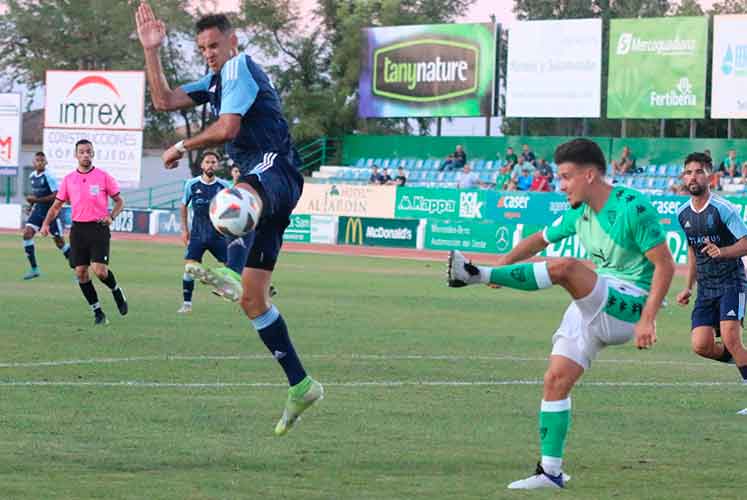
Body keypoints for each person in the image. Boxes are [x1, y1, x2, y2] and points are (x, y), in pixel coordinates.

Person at [136, 3, 322, 435]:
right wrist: (151, 51)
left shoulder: (239, 66)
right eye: (202, 48)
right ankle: (301, 385)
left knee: (229, 206)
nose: (209, 53)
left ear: (232, 41)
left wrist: (181, 148)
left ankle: (227, 267)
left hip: (273, 172)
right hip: (266, 184)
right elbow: (164, 100)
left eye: (214, 45)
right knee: (254, 300)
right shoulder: (216, 79)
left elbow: (228, 129)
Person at [446, 138, 674, 489]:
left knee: (566, 267)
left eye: (566, 176)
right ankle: (550, 473)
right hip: (594, 299)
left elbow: (665, 265)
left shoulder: (632, 206)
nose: (561, 184)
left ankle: (473, 275)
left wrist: (648, 318)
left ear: (590, 175)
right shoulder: (578, 214)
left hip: (628, 304)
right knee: (556, 379)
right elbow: (538, 239)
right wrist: (504, 263)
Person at [674, 152, 747, 414]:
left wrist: (723, 251)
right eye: (688, 172)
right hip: (705, 287)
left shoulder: (724, 209)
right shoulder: (681, 213)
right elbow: (692, 251)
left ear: (710, 177)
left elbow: (746, 242)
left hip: (731, 282)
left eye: (698, 172)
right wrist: (687, 287)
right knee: (701, 345)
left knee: (730, 338)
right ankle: (743, 361)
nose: (693, 177)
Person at [40, 140, 129, 325]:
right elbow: (56, 206)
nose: (85, 155)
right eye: (81, 152)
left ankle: (116, 291)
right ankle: (98, 312)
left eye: (88, 151)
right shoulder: (69, 179)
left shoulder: (103, 176)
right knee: (80, 272)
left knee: (100, 271)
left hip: (98, 228)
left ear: (93, 154)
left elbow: (120, 201)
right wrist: (46, 224)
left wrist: (111, 216)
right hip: (78, 229)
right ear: (76, 155)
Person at [178, 151, 233, 313]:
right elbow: (183, 206)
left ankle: (229, 291)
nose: (210, 165)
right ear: (202, 165)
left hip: (218, 236)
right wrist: (184, 230)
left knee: (233, 267)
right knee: (189, 269)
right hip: (197, 235)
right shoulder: (192, 184)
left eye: (214, 162)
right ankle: (187, 304)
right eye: (208, 162)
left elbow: (232, 210)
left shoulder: (224, 186)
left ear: (217, 165)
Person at [21, 151, 71, 279]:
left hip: (52, 212)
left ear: (46, 162)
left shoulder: (49, 176)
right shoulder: (32, 176)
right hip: (38, 211)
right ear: (33, 162)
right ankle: (34, 269)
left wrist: (35, 201)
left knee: (59, 242)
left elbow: (56, 195)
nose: (39, 162)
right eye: (37, 160)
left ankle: (79, 269)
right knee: (27, 234)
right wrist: (31, 206)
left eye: (42, 160)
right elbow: (37, 195)